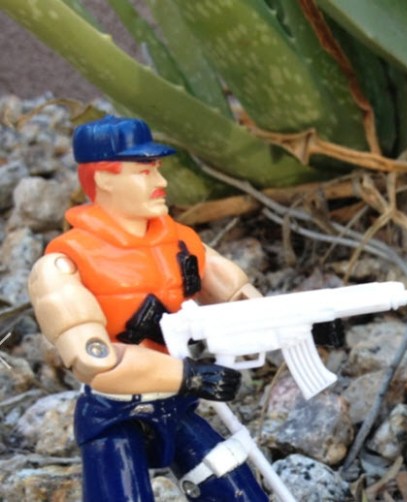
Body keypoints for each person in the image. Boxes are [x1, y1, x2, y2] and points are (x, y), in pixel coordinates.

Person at [28, 115, 268, 501]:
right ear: (104, 178)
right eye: (144, 171)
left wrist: (307, 324)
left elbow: (241, 300)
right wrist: (188, 376)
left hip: (176, 404)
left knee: (236, 488)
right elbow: (96, 362)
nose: (161, 182)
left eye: (157, 168)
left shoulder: (182, 244)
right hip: (115, 413)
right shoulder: (63, 264)